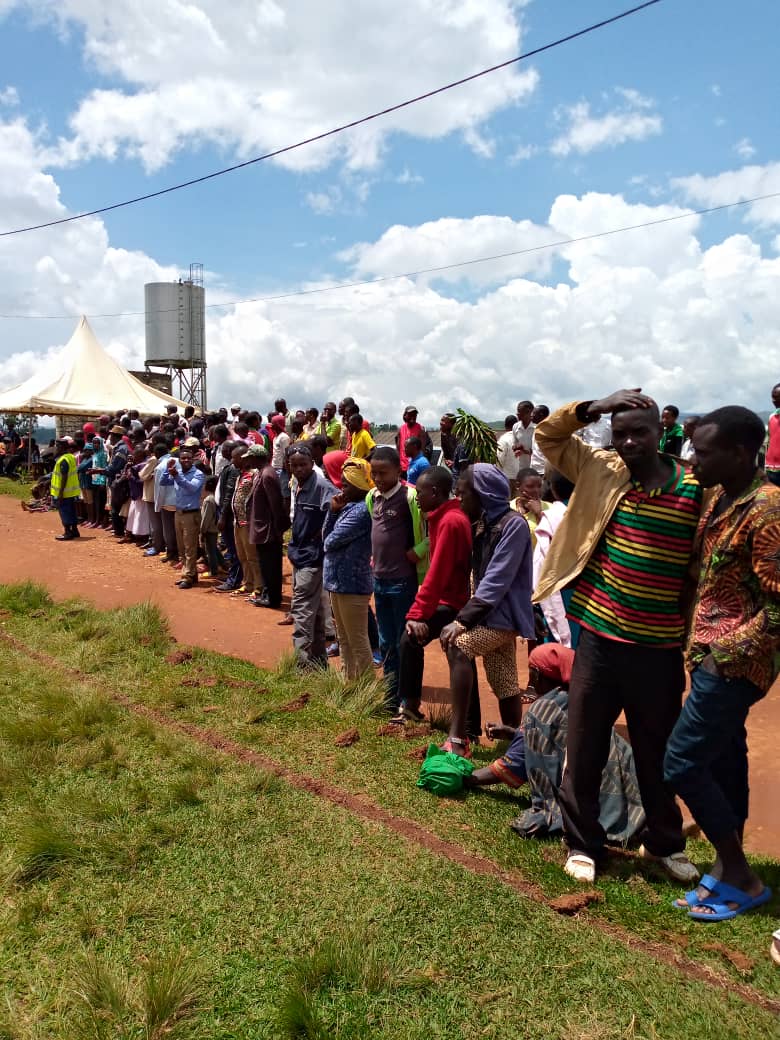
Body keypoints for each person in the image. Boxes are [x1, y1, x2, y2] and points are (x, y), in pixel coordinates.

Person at [534, 389, 702, 885]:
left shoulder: (694, 487)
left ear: (660, 434)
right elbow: (548, 436)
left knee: (658, 751)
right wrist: (594, 407)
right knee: (585, 746)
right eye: (620, 433)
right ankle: (583, 844)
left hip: (660, 645)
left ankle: (664, 844)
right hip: (600, 639)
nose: (628, 442)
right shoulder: (601, 468)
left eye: (639, 433)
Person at [664, 406, 779, 921]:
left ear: (739, 453)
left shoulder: (768, 509)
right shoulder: (720, 499)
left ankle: (742, 876)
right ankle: (727, 866)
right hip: (710, 654)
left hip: (736, 662)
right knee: (725, 757)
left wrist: (723, 653)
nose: (693, 460)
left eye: (704, 452)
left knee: (682, 762)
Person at [439, 464, 535, 758]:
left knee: (458, 646)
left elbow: (497, 578)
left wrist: (462, 620)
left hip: (502, 615)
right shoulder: (482, 523)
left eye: (464, 494)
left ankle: (458, 736)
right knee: (504, 680)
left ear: (484, 494)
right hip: (488, 613)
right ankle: (516, 746)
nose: (460, 499)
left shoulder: (513, 525)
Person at [394, 466, 480, 736]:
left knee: (419, 641)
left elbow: (438, 573)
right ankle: (466, 725)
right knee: (456, 655)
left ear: (434, 491)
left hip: (454, 602)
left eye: (419, 491)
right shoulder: (443, 517)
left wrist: (418, 613)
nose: (416, 496)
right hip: (449, 598)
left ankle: (417, 709)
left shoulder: (451, 521)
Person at [367, 446, 428, 710]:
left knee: (405, 641)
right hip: (379, 579)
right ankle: (390, 695)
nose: (378, 478)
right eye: (374, 473)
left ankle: (406, 698)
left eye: (383, 473)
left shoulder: (410, 497)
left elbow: (429, 534)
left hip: (403, 582)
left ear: (399, 471)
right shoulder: (372, 497)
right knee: (385, 640)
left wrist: (417, 552)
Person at [323, 458, 375, 678]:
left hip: (352, 582)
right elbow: (326, 536)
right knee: (343, 638)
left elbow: (329, 541)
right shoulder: (347, 508)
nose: (341, 489)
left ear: (359, 486)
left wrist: (335, 514)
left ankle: (366, 688)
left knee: (358, 640)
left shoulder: (362, 511)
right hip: (337, 581)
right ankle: (349, 682)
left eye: (346, 485)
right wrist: (333, 511)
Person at [287, 444, 336, 668]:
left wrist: (322, 540)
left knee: (302, 610)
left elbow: (335, 513)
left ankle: (301, 665)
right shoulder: (299, 484)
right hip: (300, 554)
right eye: (294, 465)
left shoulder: (322, 486)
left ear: (311, 463)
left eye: (303, 464)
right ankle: (318, 663)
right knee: (314, 613)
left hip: (313, 557)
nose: (299, 469)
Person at [247, 444, 289, 609]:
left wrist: (277, 529)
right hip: (262, 528)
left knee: (270, 565)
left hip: (268, 530)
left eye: (250, 457)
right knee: (265, 564)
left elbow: (275, 505)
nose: (248, 461)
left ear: (257, 457)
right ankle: (267, 595)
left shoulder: (267, 475)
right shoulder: (262, 473)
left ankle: (272, 598)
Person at [160, 447, 206, 589]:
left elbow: (191, 488)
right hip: (178, 513)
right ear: (179, 460)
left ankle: (188, 576)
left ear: (193, 460)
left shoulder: (198, 474)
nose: (186, 460)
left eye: (188, 458)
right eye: (183, 458)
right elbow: (163, 482)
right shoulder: (177, 472)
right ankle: (189, 574)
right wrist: (168, 470)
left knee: (190, 547)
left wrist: (177, 477)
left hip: (190, 514)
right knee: (181, 547)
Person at [231, 446, 262, 599]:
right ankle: (247, 582)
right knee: (242, 555)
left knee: (252, 557)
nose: (232, 461)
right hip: (237, 521)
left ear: (243, 458)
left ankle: (258, 586)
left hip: (247, 523)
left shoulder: (254, 474)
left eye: (234, 457)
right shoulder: (240, 475)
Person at [214, 441, 243, 592]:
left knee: (233, 549)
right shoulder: (229, 467)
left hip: (229, 514)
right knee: (231, 549)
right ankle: (232, 576)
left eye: (225, 449)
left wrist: (223, 516)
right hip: (223, 511)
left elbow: (229, 495)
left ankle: (234, 580)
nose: (222, 451)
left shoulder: (233, 470)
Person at [51, 438, 81, 541]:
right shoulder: (70, 457)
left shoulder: (63, 460)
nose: (56, 448)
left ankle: (68, 532)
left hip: (64, 492)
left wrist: (60, 493)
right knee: (72, 511)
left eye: (58, 446)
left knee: (64, 512)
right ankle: (75, 530)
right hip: (71, 491)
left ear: (63, 447)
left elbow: (64, 477)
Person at [510, 467, 548, 545]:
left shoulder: (550, 509)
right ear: (518, 486)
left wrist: (539, 514)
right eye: (530, 486)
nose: (536, 490)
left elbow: (553, 538)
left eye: (539, 486)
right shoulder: (509, 507)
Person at [200, 475, 223, 578]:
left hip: (209, 529)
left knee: (210, 551)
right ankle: (224, 565)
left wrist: (202, 531)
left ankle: (214, 571)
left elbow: (206, 518)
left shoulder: (209, 500)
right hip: (214, 528)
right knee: (214, 549)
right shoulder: (216, 497)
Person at [396, 406, 424, 477]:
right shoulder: (401, 429)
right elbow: (398, 448)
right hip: (402, 467)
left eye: (415, 415)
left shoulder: (420, 429)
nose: (413, 417)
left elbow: (422, 449)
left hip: (414, 467)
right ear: (405, 415)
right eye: (410, 415)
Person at [89, 435, 109, 528]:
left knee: (102, 502)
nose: (95, 445)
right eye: (94, 443)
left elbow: (104, 468)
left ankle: (102, 521)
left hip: (100, 480)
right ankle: (97, 520)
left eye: (97, 443)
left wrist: (102, 482)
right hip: (94, 479)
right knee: (96, 502)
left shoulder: (103, 454)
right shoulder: (95, 454)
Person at [496, 415, 520, 485]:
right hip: (522, 477)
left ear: (505, 426)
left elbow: (499, 459)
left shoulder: (504, 439)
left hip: (507, 477)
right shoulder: (522, 438)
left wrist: (497, 474)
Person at [765, 382, 780, 487]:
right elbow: (769, 441)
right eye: (773, 397)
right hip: (771, 469)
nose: (773, 400)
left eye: (777, 397)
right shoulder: (772, 417)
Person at [77, 446, 95, 527]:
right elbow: (79, 468)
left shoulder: (91, 459)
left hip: (88, 483)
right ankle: (88, 519)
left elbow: (81, 467)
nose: (85, 452)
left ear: (91, 451)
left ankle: (91, 519)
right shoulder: (84, 459)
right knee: (86, 502)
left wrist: (80, 467)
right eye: (85, 450)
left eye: (88, 450)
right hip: (83, 483)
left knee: (90, 502)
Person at [512, 400, 535, 466]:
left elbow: (540, 451)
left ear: (529, 412)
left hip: (536, 467)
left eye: (520, 411)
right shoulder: (516, 427)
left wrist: (526, 452)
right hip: (521, 466)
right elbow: (514, 445)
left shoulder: (537, 427)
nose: (517, 414)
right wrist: (516, 449)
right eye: (517, 411)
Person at [530, 405, 551, 474]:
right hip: (534, 469)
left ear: (541, 415)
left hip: (544, 471)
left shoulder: (549, 430)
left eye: (533, 413)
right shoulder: (536, 429)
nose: (531, 415)